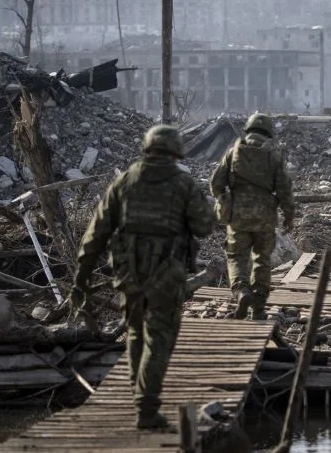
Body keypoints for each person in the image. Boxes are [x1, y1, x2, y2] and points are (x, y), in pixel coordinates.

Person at [72, 125, 214, 429]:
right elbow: (204, 226)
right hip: (166, 275)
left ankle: (140, 401)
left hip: (128, 273)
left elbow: (96, 233)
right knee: (159, 338)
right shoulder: (184, 184)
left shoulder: (125, 181)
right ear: (176, 151)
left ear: (147, 148)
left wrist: (81, 277)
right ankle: (147, 409)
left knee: (136, 333)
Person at [210, 113, 295, 320]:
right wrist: (289, 215)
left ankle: (241, 292)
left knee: (236, 258)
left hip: (238, 218)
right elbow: (284, 190)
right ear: (268, 133)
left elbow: (216, 183)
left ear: (248, 130)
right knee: (262, 260)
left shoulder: (233, 153)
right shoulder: (273, 157)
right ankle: (258, 306)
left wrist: (223, 198)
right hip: (265, 218)